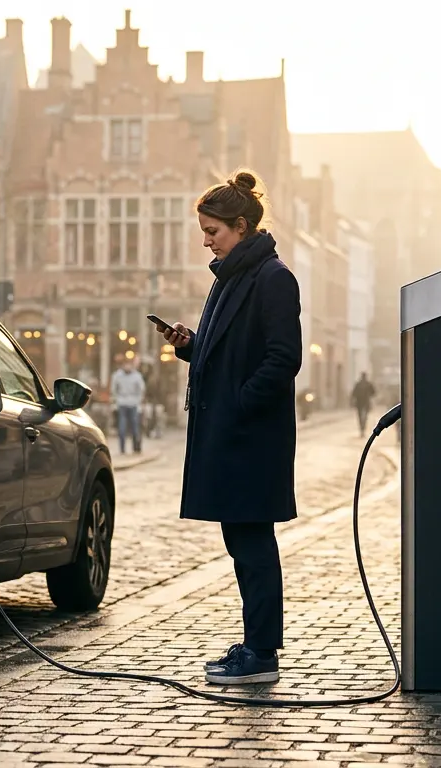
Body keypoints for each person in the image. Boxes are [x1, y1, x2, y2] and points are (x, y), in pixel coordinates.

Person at [157, 170, 301, 686]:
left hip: (250, 438)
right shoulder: (232, 277)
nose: (206, 241)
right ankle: (255, 644)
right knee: (243, 545)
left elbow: (283, 358)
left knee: (253, 546)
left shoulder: (273, 278)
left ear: (241, 226)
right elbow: (229, 352)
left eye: (212, 231)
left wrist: (240, 404)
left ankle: (262, 654)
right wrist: (190, 346)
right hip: (232, 434)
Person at [110, 358, 146, 454]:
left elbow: (141, 390)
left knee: (135, 427)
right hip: (122, 404)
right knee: (122, 427)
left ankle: (135, 448)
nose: (127, 367)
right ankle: (122, 449)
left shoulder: (137, 376)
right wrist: (116, 400)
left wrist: (138, 401)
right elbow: (114, 389)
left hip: (134, 404)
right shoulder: (117, 375)